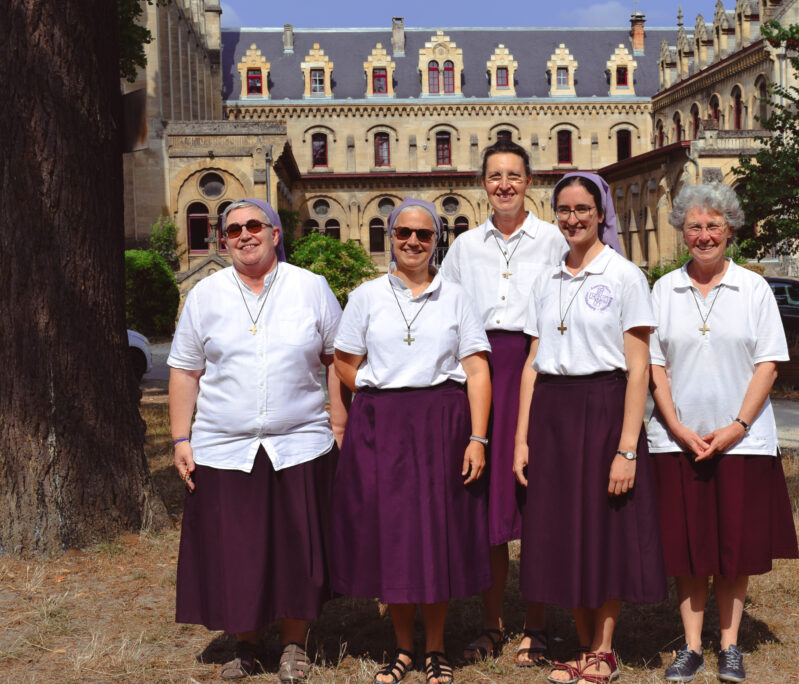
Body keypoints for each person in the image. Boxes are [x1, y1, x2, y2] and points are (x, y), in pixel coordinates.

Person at [169, 198, 345, 683]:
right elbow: (185, 370)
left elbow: (337, 359)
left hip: (300, 440)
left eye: (254, 225)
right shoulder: (206, 295)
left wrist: (339, 424)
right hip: (225, 445)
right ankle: (245, 645)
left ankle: (294, 643)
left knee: (296, 547)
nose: (244, 235)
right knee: (238, 550)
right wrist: (180, 437)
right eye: (233, 229)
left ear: (274, 232)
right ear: (223, 241)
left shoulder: (311, 287)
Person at [330, 198, 492, 684]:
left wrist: (478, 437)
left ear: (435, 239)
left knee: (435, 533)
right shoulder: (365, 296)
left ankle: (437, 648)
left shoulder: (456, 296)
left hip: (442, 421)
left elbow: (477, 369)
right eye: (404, 233)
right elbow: (343, 360)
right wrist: (381, 392)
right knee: (394, 534)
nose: (413, 242)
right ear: (391, 237)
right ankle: (402, 648)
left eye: (424, 234)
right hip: (383, 424)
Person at [513, 172, 666, 684]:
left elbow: (639, 367)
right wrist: (521, 438)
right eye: (564, 210)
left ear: (602, 214)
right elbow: (533, 361)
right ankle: (581, 643)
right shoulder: (546, 278)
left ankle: (603, 650)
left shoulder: (624, 276)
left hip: (603, 409)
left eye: (583, 209)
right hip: (552, 413)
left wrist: (627, 448)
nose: (573, 219)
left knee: (603, 530)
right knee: (562, 529)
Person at [648, 183, 799, 683]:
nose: (704, 235)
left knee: (734, 550)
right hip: (678, 441)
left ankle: (730, 645)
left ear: (730, 229)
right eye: (694, 226)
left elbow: (768, 365)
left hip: (743, 443)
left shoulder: (753, 288)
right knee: (689, 550)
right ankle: (691, 647)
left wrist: (736, 427)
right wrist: (675, 426)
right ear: (682, 232)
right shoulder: (663, 289)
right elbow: (655, 366)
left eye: (714, 225)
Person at [438, 139, 566, 666]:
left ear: (528, 182)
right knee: (489, 502)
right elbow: (444, 311)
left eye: (514, 175)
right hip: (484, 369)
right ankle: (491, 624)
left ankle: (536, 626)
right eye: (495, 176)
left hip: (538, 371)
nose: (505, 185)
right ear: (482, 182)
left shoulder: (555, 239)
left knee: (537, 499)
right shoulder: (466, 246)